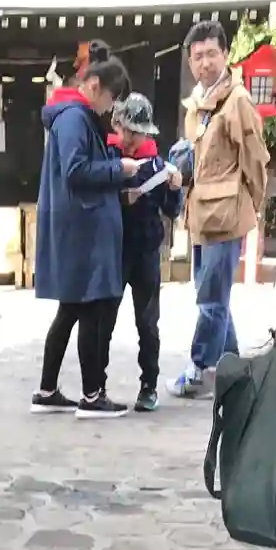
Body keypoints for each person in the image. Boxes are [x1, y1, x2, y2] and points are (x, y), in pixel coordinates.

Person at [31, 55, 139, 418]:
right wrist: (118, 168)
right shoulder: (74, 118)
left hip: (79, 225)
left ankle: (47, 390)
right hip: (82, 228)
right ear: (94, 86)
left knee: (71, 310)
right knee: (90, 310)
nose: (110, 108)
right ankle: (92, 395)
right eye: (111, 98)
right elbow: (76, 170)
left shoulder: (72, 115)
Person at [169, 21, 269, 398]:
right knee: (213, 295)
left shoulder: (237, 101)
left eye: (212, 54)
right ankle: (234, 372)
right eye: (198, 56)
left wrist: (250, 204)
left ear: (226, 55)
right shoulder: (198, 103)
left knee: (210, 300)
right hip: (202, 214)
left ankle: (200, 371)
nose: (205, 62)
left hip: (227, 214)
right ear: (190, 62)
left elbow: (255, 159)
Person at [108, 92, 183, 413]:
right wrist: (120, 197)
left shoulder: (157, 165)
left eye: (137, 133)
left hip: (147, 251)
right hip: (114, 249)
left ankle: (148, 385)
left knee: (148, 324)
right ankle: (96, 386)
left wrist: (175, 190)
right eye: (128, 131)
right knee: (103, 320)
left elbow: (171, 210)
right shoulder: (109, 156)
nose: (131, 138)